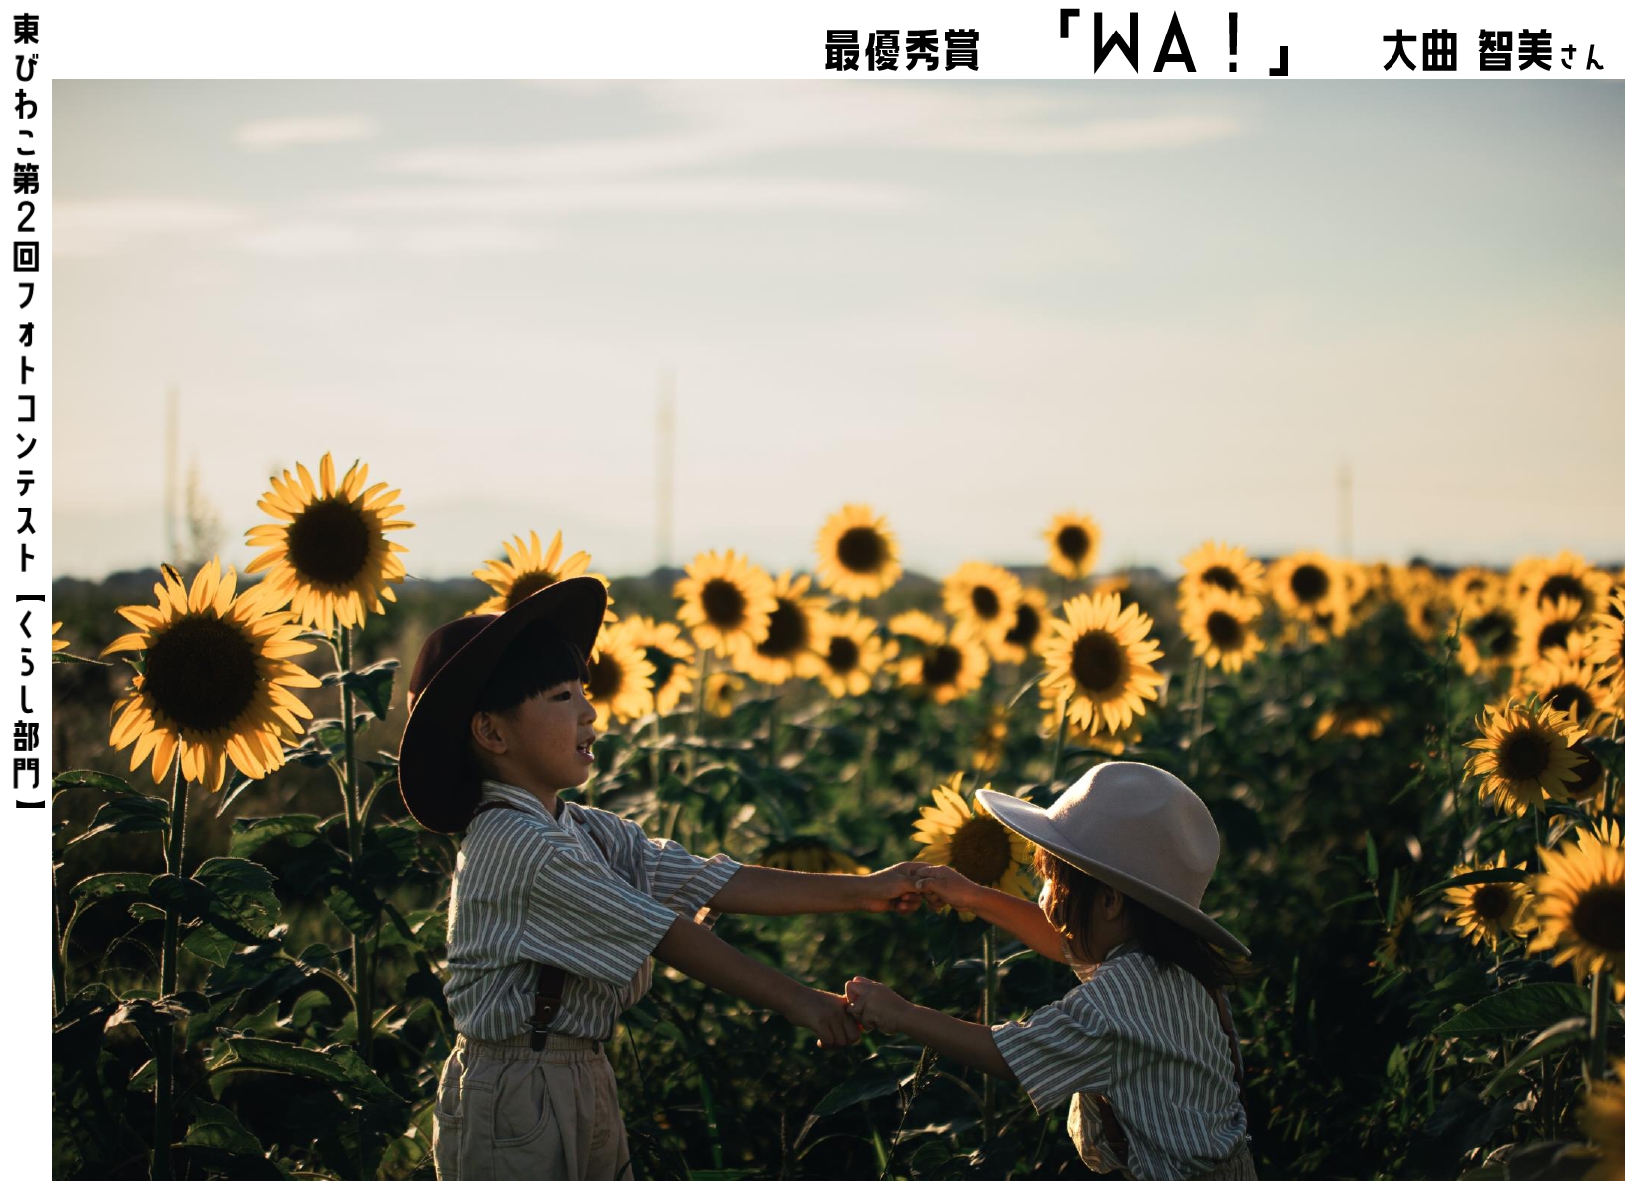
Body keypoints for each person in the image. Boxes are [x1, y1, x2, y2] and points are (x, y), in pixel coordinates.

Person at [397, 576, 925, 1181]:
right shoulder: (516, 844)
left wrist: (869, 889)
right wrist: (802, 1002)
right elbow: (667, 933)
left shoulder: (579, 828)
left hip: (575, 1071)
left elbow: (709, 881)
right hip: (516, 1089)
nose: (590, 712)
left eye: (583, 692)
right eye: (562, 697)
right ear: (492, 732)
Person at [845, 761, 1255, 1181]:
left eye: (1052, 883)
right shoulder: (1169, 962)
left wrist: (902, 1015)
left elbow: (1007, 1055)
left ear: (1110, 902)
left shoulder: (1124, 996)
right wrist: (973, 896)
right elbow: (1065, 941)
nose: (1044, 899)